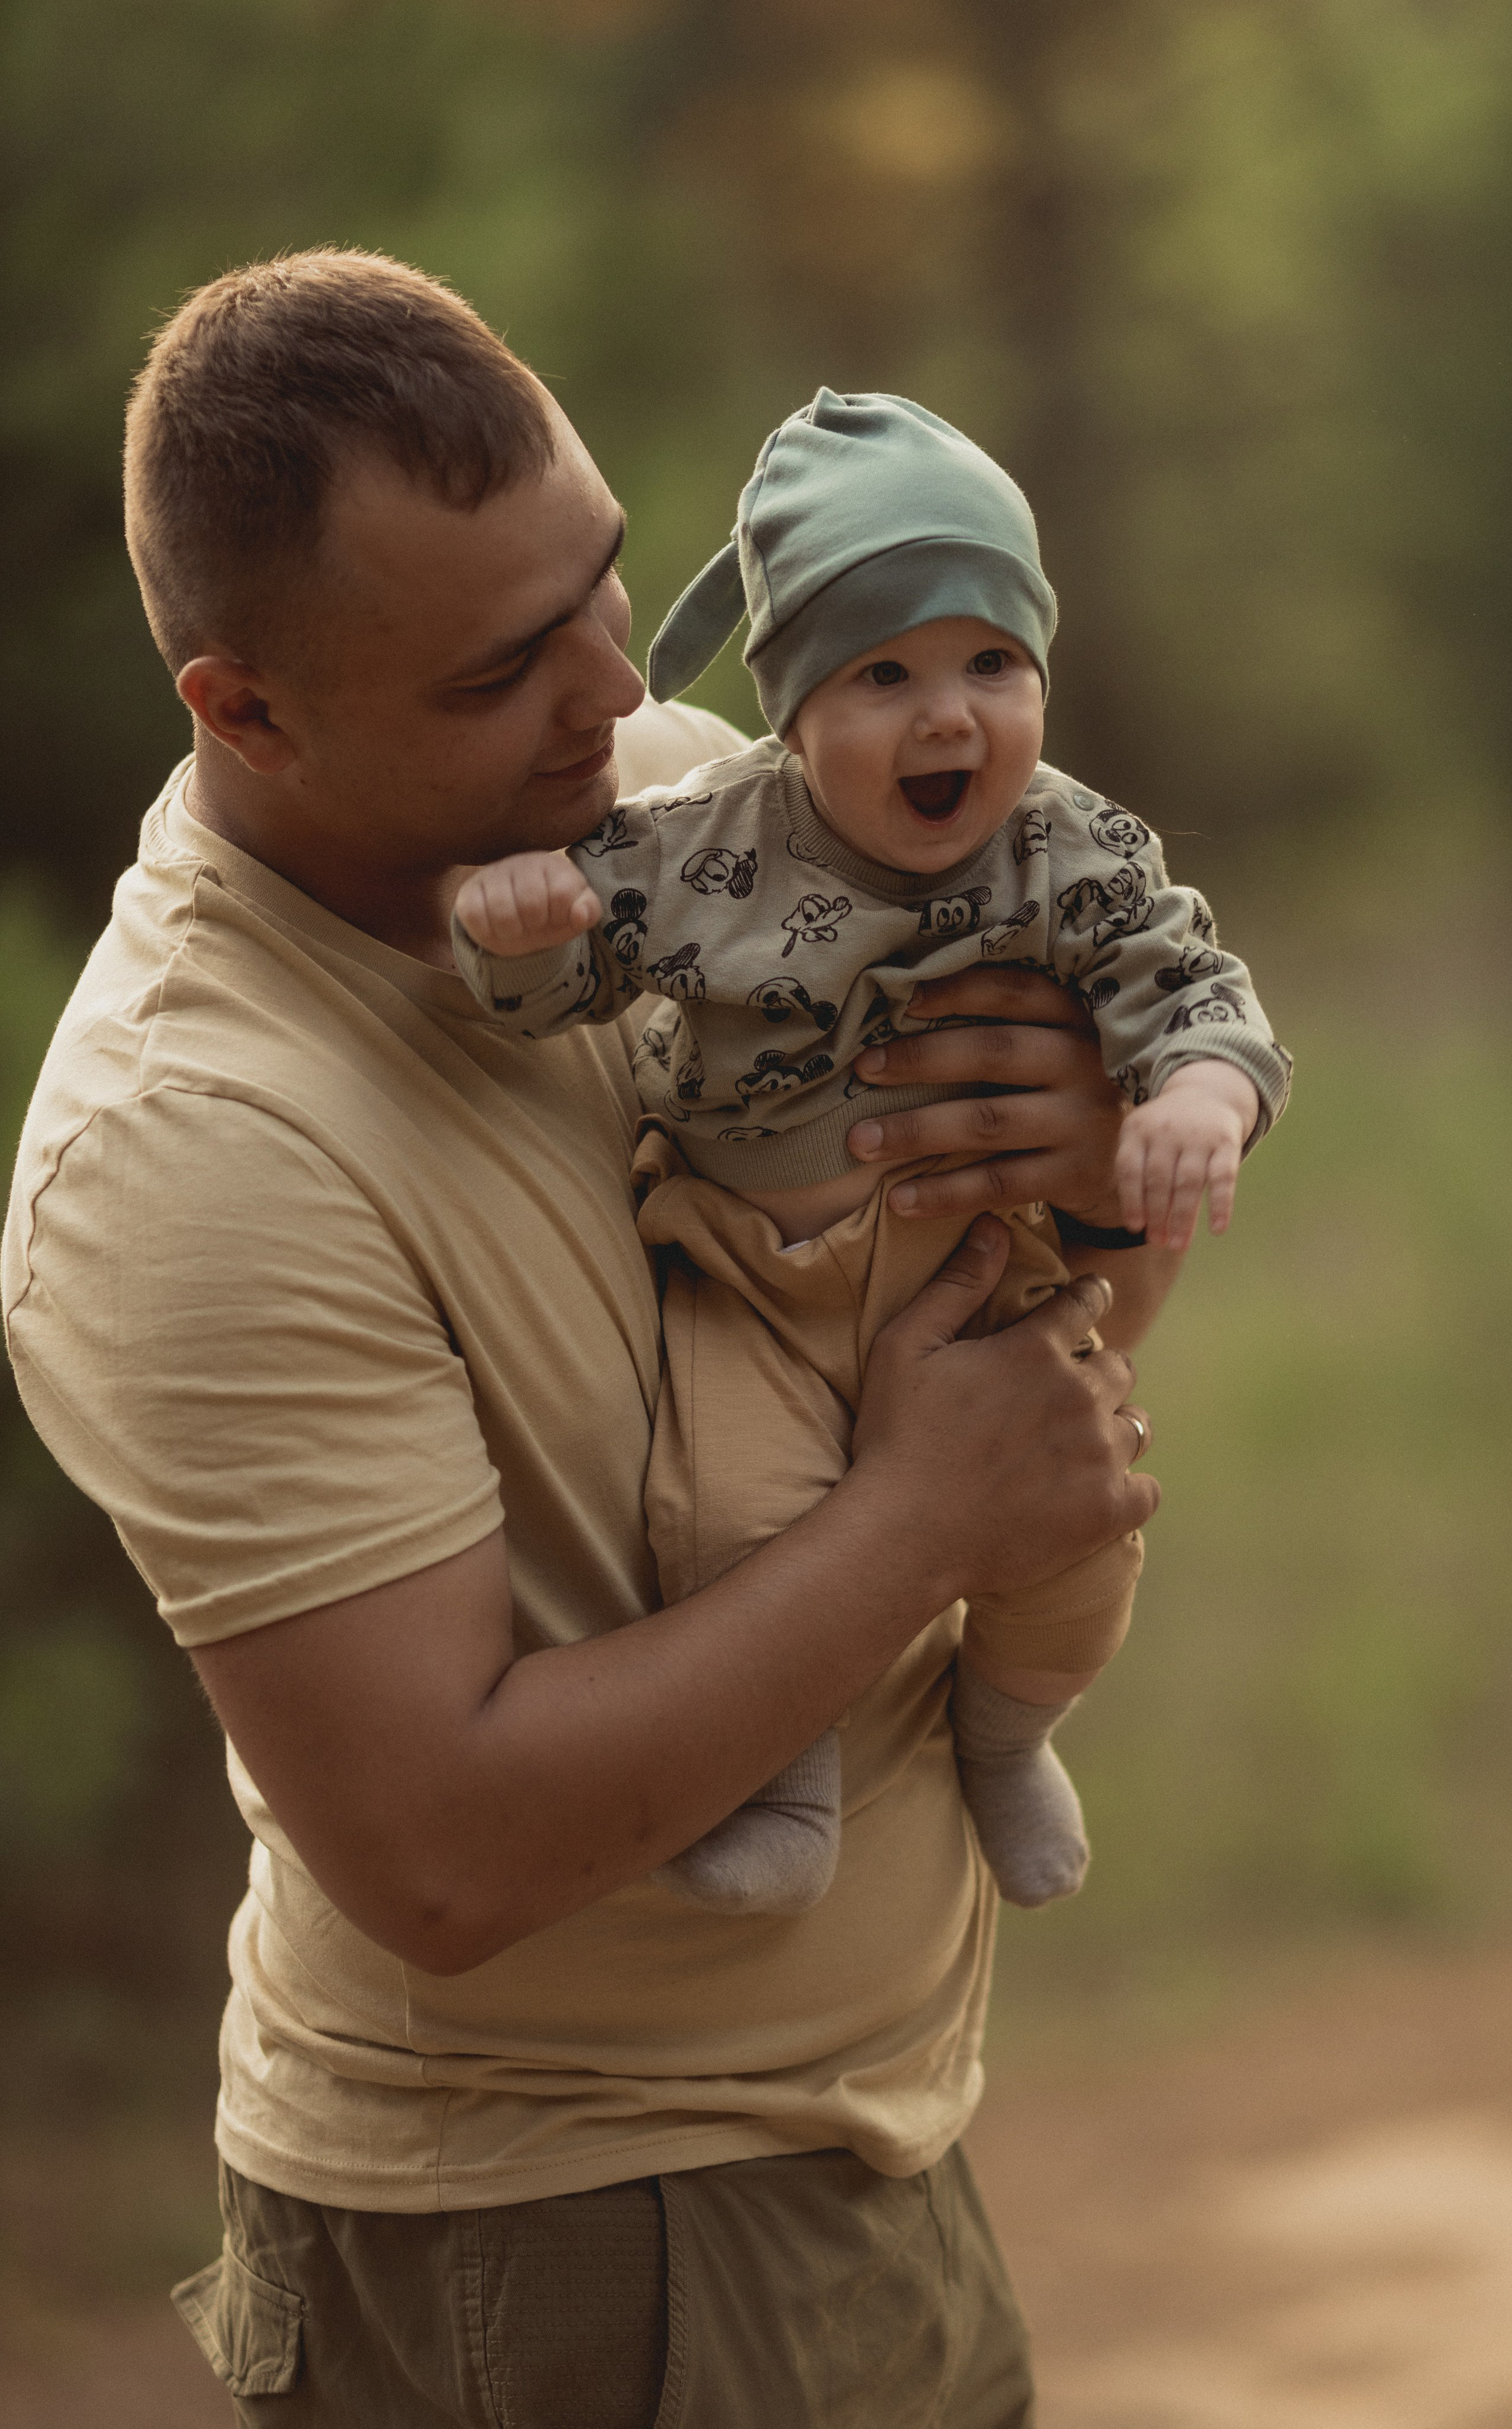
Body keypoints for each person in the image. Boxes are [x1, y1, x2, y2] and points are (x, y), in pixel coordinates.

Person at [3, 251, 1170, 2428]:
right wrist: (925, 1521)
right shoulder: (194, 1150)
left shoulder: (665, 802)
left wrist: (1089, 1168)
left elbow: (1034, 1376)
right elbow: (443, 1852)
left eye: (612, 588)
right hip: (551, 2256)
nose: (616, 690)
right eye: (502, 670)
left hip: (861, 2147)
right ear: (243, 709)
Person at [452, 389, 1290, 1920]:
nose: (948, 715)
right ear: (792, 709)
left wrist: (1193, 1102)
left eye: (991, 662)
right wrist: (515, 933)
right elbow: (554, 995)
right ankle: (785, 1778)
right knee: (729, 1532)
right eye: (882, 673)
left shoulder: (1069, 849)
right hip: (753, 1288)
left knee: (1080, 1532)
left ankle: (1008, 1725)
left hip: (976, 1270)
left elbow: (1194, 993)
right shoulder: (698, 844)